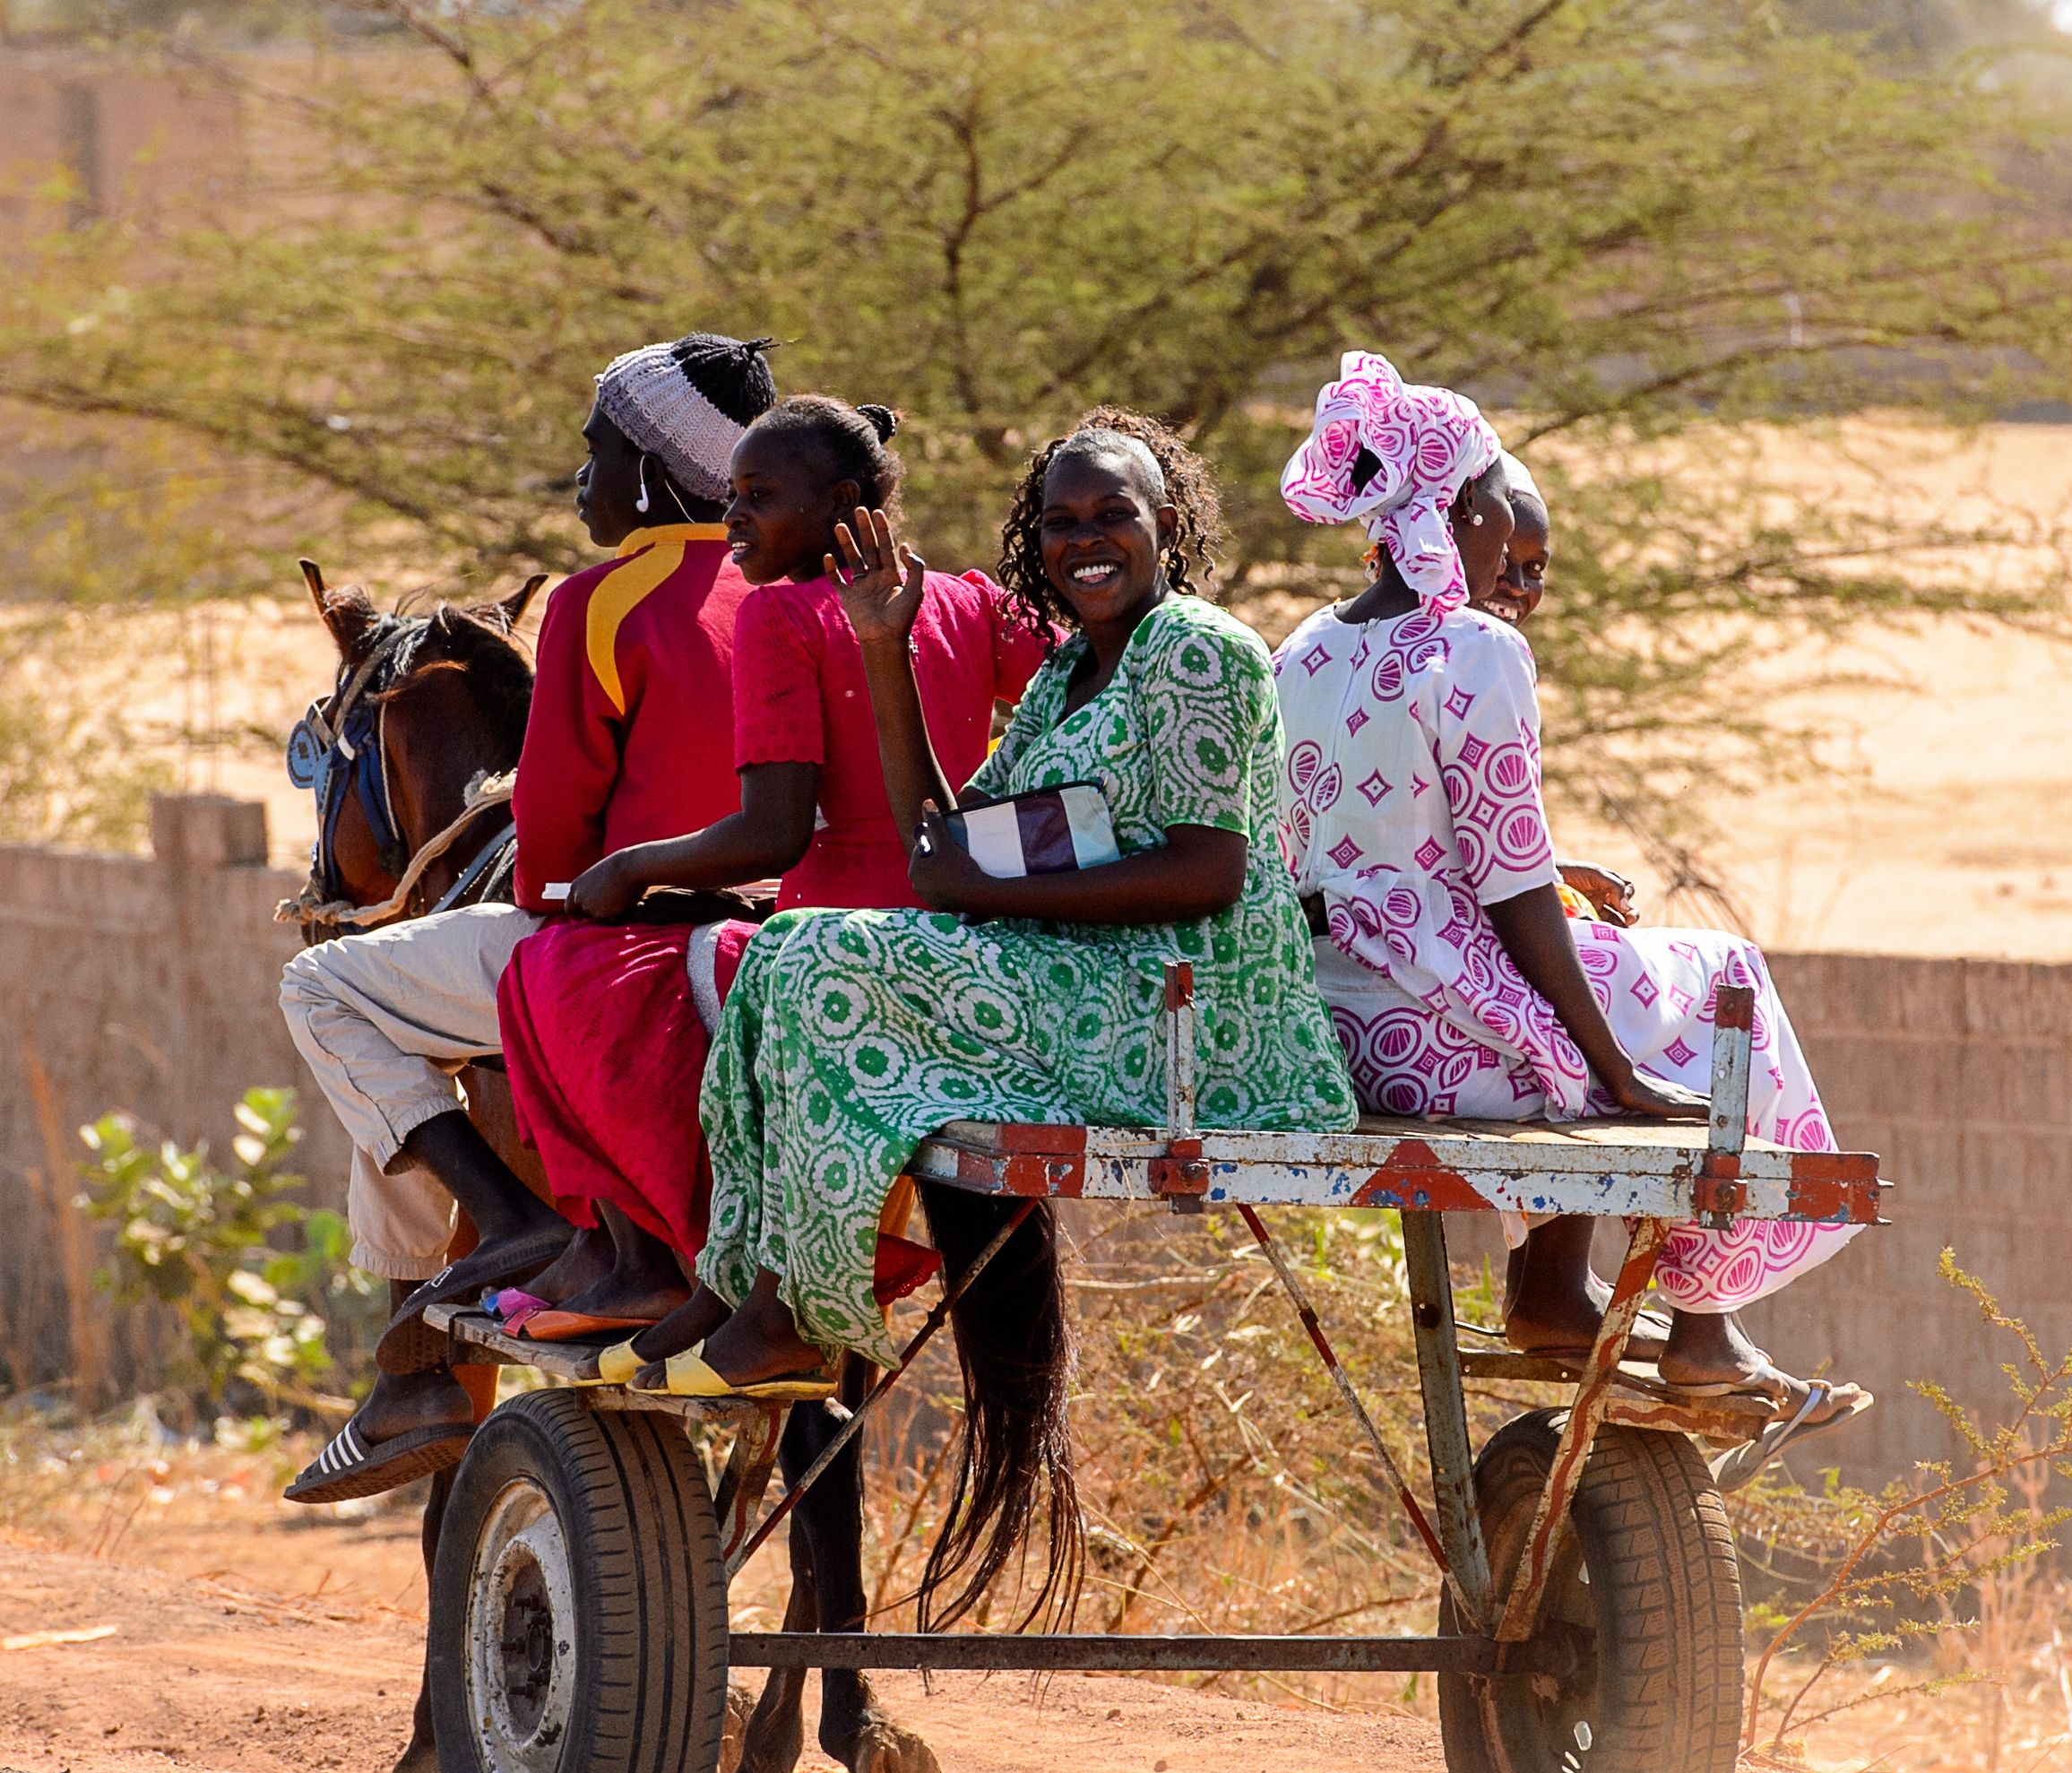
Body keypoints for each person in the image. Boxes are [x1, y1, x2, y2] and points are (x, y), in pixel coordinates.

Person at [623, 409, 1357, 1424]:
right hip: (1085, 982)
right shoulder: (1065, 674)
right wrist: (883, 644)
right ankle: (745, 1278)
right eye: (1060, 521)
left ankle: (794, 1308)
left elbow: (1205, 872)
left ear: (1169, 521)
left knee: (823, 954)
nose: (1085, 541)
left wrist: (992, 898)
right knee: (786, 941)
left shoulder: (1194, 648)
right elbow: (947, 843)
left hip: (1191, 1019)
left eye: (1114, 514)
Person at [1274, 352, 1866, 1429]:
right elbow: (1507, 884)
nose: (1510, 543)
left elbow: (1351, 853)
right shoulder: (1475, 647)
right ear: (1457, 510)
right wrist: (1617, 1072)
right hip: (1441, 1037)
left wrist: (1544, 892)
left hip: (1345, 1030)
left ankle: (1554, 1292)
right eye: (1501, 504)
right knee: (1716, 971)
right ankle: (1697, 1324)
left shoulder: (1302, 649)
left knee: (1586, 961)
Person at [277, 331, 777, 1501]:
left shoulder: (604, 605)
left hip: (622, 950)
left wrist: (575, 878)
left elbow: (549, 858)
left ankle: (500, 1227)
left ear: (653, 472)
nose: (582, 479)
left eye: (596, 451)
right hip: (781, 947)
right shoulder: (807, 598)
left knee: (329, 988)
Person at [492, 395, 1042, 1333]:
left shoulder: (779, 614)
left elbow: (773, 833)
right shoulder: (968, 599)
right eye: (732, 493)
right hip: (966, 938)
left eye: (756, 496)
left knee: (547, 974)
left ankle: (660, 1259)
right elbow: (1070, 688)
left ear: (839, 501)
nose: (732, 516)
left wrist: (628, 869)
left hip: (828, 942)